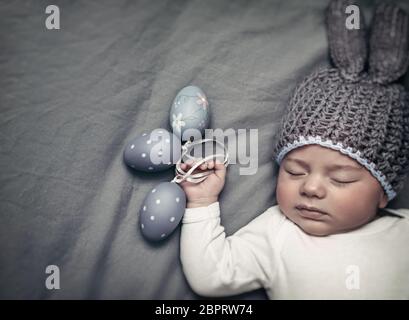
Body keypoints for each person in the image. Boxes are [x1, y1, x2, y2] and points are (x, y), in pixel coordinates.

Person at [178, 0, 409, 299]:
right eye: (294, 170)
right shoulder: (278, 232)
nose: (311, 187)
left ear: (384, 192)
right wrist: (202, 201)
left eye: (341, 179)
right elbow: (211, 276)